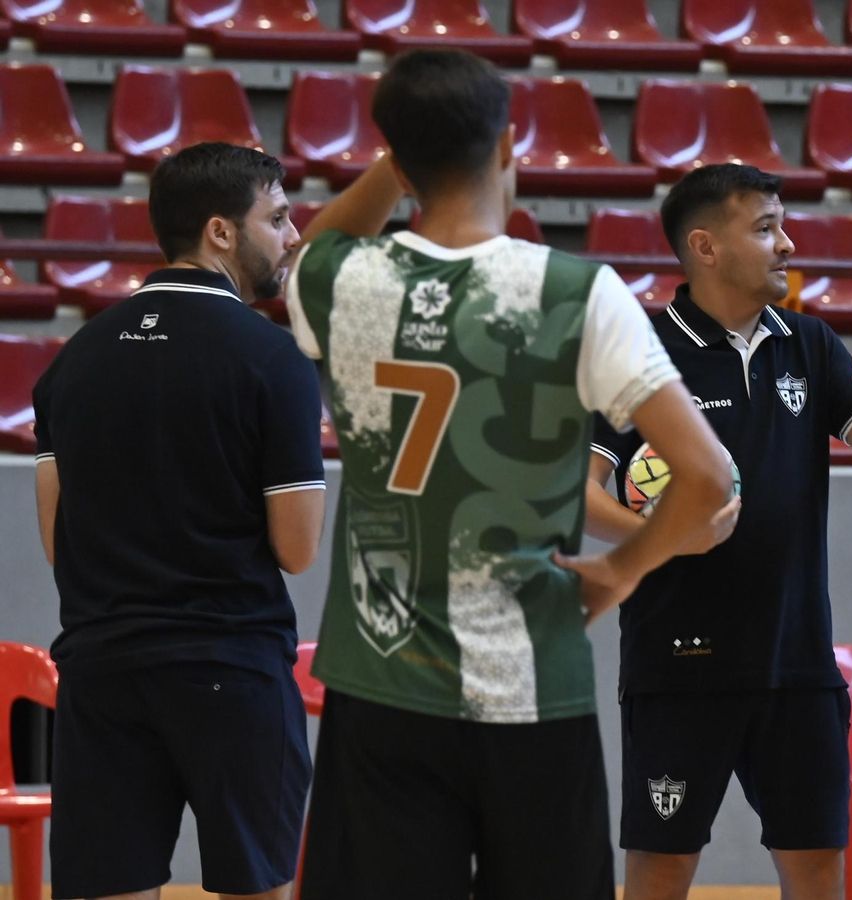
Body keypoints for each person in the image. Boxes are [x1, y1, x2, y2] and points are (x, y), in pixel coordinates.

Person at [284, 50, 729, 900]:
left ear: (400, 159)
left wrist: (403, 152)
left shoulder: (340, 281)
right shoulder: (576, 291)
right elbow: (708, 479)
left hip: (380, 688)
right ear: (508, 145)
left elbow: (316, 242)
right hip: (531, 688)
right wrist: (622, 571)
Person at [584, 163, 852, 900]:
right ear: (705, 248)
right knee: (661, 868)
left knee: (815, 871)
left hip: (796, 663)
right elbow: (576, 493)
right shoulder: (639, 351)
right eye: (766, 228)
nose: (787, 243)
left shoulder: (811, 344)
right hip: (676, 665)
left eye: (783, 224)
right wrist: (666, 538)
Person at [32, 142, 324, 900]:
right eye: (280, 217)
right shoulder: (273, 360)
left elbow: (55, 539)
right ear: (222, 232)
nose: (293, 237)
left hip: (100, 672)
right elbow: (297, 549)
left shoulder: (73, 360)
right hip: (230, 667)